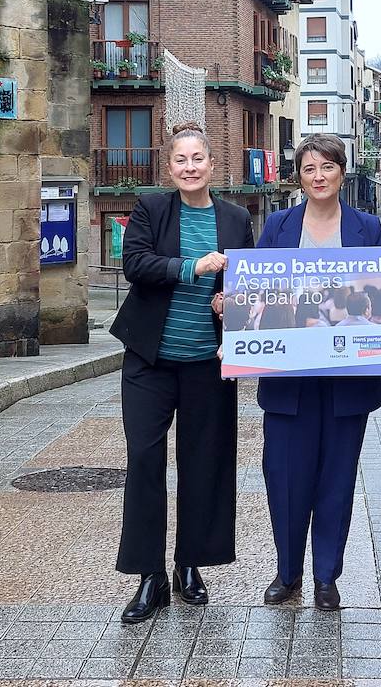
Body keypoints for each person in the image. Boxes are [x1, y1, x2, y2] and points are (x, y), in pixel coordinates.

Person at [109, 122, 255, 624]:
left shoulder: (236, 218)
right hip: (149, 360)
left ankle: (189, 564)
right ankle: (149, 574)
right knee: (144, 461)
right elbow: (136, 265)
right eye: (180, 160)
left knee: (204, 463)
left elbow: (247, 286)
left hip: (207, 364)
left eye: (198, 159)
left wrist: (229, 303)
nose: (190, 167)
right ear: (168, 167)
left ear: (212, 164)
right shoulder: (151, 209)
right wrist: (192, 267)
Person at [248, 133, 381, 611]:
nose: (318, 177)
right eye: (309, 168)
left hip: (346, 382)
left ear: (342, 173)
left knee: (337, 479)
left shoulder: (366, 227)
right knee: (284, 477)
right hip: (287, 380)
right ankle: (287, 571)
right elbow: (257, 291)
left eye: (327, 167)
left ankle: (326, 576)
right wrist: (234, 306)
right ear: (299, 176)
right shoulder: (278, 225)